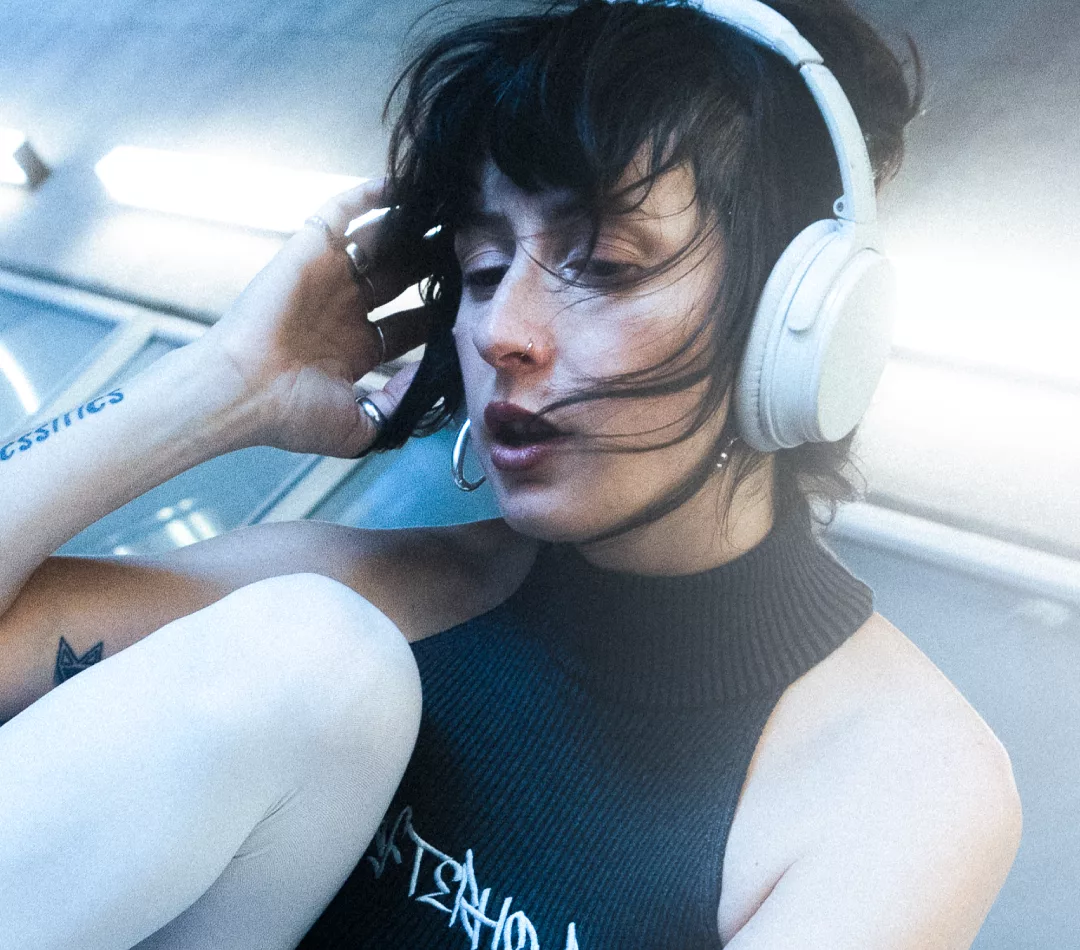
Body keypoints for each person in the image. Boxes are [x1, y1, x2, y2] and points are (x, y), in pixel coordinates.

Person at [0, 0, 1021, 948]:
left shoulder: (901, 781)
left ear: (801, 327)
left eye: (607, 265)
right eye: (483, 271)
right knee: (315, 652)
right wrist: (212, 388)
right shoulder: (350, 608)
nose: (501, 331)